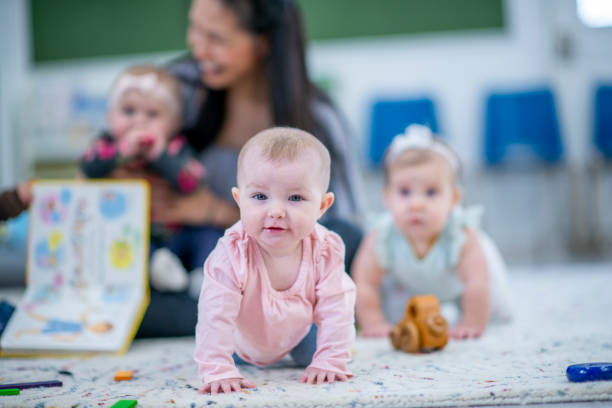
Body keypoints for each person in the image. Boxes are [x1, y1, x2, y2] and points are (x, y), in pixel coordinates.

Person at [120, 0, 363, 337]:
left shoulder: (317, 119)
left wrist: (215, 211)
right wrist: (125, 175)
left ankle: (247, 313)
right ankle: (250, 318)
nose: (197, 47)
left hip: (274, 269)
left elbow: (342, 228)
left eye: (216, 38)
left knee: (346, 239)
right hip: (180, 263)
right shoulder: (174, 91)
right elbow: (107, 150)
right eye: (194, 28)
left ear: (263, 42)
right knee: (133, 283)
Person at [194, 127, 356, 394]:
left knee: (329, 353)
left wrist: (331, 360)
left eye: (295, 198)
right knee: (224, 352)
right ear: (239, 200)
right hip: (241, 344)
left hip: (301, 335)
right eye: (259, 197)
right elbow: (215, 315)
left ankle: (325, 353)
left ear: (322, 206)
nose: (276, 211)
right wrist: (218, 369)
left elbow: (337, 306)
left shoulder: (325, 249)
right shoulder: (232, 253)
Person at [352, 125, 512, 340]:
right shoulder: (381, 235)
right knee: (400, 314)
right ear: (387, 197)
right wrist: (374, 323)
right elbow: (365, 283)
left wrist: (471, 322)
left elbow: (476, 282)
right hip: (410, 284)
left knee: (496, 309)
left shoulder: (461, 234)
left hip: (462, 280)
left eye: (431, 192)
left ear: (454, 199)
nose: (416, 204)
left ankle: (478, 313)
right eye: (404, 192)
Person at [79, 65, 208, 294]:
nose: (139, 121)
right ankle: (157, 267)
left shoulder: (176, 148)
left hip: (175, 233)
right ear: (110, 115)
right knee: (120, 243)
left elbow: (189, 183)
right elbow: (88, 167)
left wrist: (159, 155)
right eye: (128, 111)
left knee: (206, 235)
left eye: (152, 114)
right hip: (133, 236)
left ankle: (204, 275)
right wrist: (122, 151)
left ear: (176, 123)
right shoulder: (107, 145)